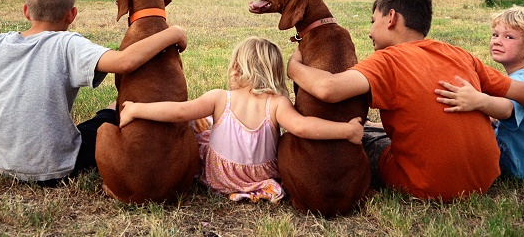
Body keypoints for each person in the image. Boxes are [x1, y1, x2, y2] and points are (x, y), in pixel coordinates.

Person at [286, 0, 524, 200]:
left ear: (391, 18)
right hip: (486, 178)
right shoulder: (460, 54)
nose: (370, 32)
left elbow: (327, 89)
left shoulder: (387, 60)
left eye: (373, 21)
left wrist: (294, 66)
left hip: (427, 186)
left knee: (368, 142)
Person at [0, 0, 188, 186]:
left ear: (26, 11)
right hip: (56, 169)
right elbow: (126, 61)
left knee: (103, 117)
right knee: (105, 120)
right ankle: (110, 110)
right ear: (72, 15)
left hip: (3, 163)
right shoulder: (70, 45)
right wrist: (173, 33)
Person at [119, 36, 364, 203]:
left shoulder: (219, 97)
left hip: (219, 175)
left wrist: (136, 109)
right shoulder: (277, 102)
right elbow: (301, 127)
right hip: (262, 176)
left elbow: (179, 111)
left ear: (236, 67)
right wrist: (346, 130)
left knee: (196, 120)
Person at [435, 6, 524, 178]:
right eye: (495, 35)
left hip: (518, 166)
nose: (497, 41)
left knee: (463, 130)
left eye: (509, 37)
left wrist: (477, 100)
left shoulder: (521, 82)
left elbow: (506, 109)